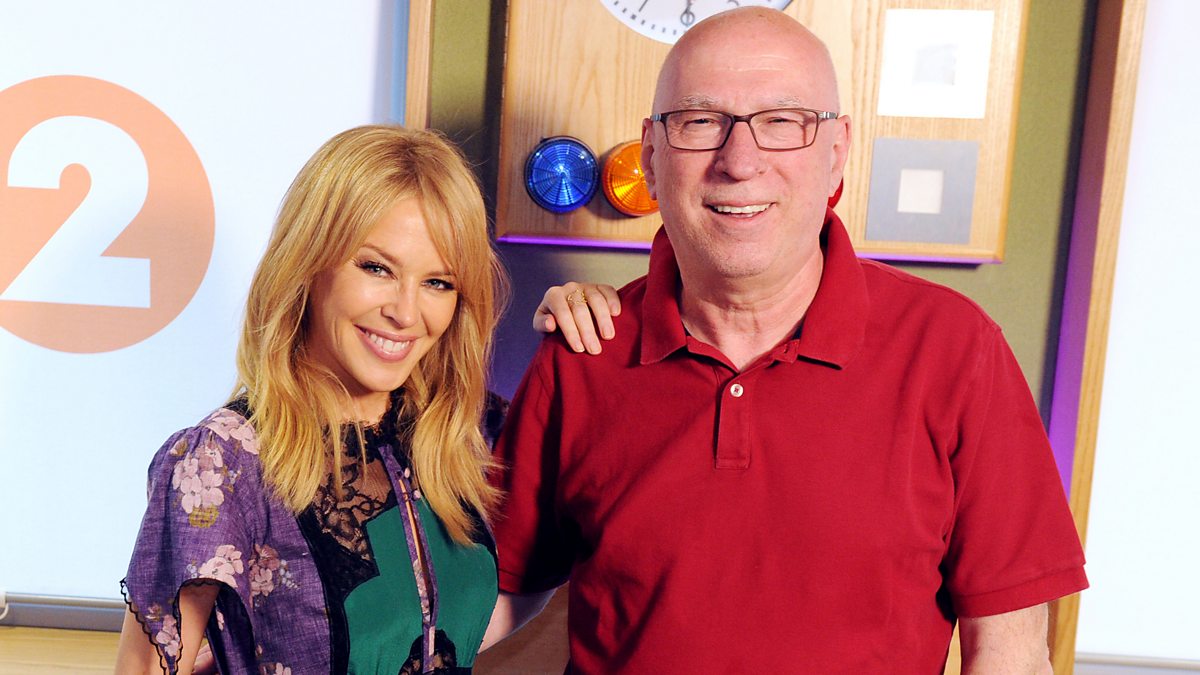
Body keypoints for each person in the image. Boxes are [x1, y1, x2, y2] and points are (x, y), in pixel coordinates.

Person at [483, 8, 1087, 673]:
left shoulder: (955, 350)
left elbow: (1010, 653)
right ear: (652, 158)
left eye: (781, 122)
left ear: (837, 153)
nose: (740, 162)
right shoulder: (584, 349)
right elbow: (491, 596)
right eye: (700, 122)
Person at [114, 125, 583, 674]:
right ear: (308, 264)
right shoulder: (222, 462)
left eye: (438, 282)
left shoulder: (472, 430)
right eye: (376, 268)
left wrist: (592, 320)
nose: (405, 313)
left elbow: (511, 586)